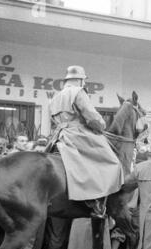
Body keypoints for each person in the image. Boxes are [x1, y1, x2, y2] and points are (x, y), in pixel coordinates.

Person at [48, 65, 124, 218]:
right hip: (78, 133)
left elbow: (52, 118)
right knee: (112, 162)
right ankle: (96, 201)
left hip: (61, 134)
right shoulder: (78, 92)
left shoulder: (56, 96)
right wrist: (101, 125)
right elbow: (91, 116)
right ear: (81, 80)